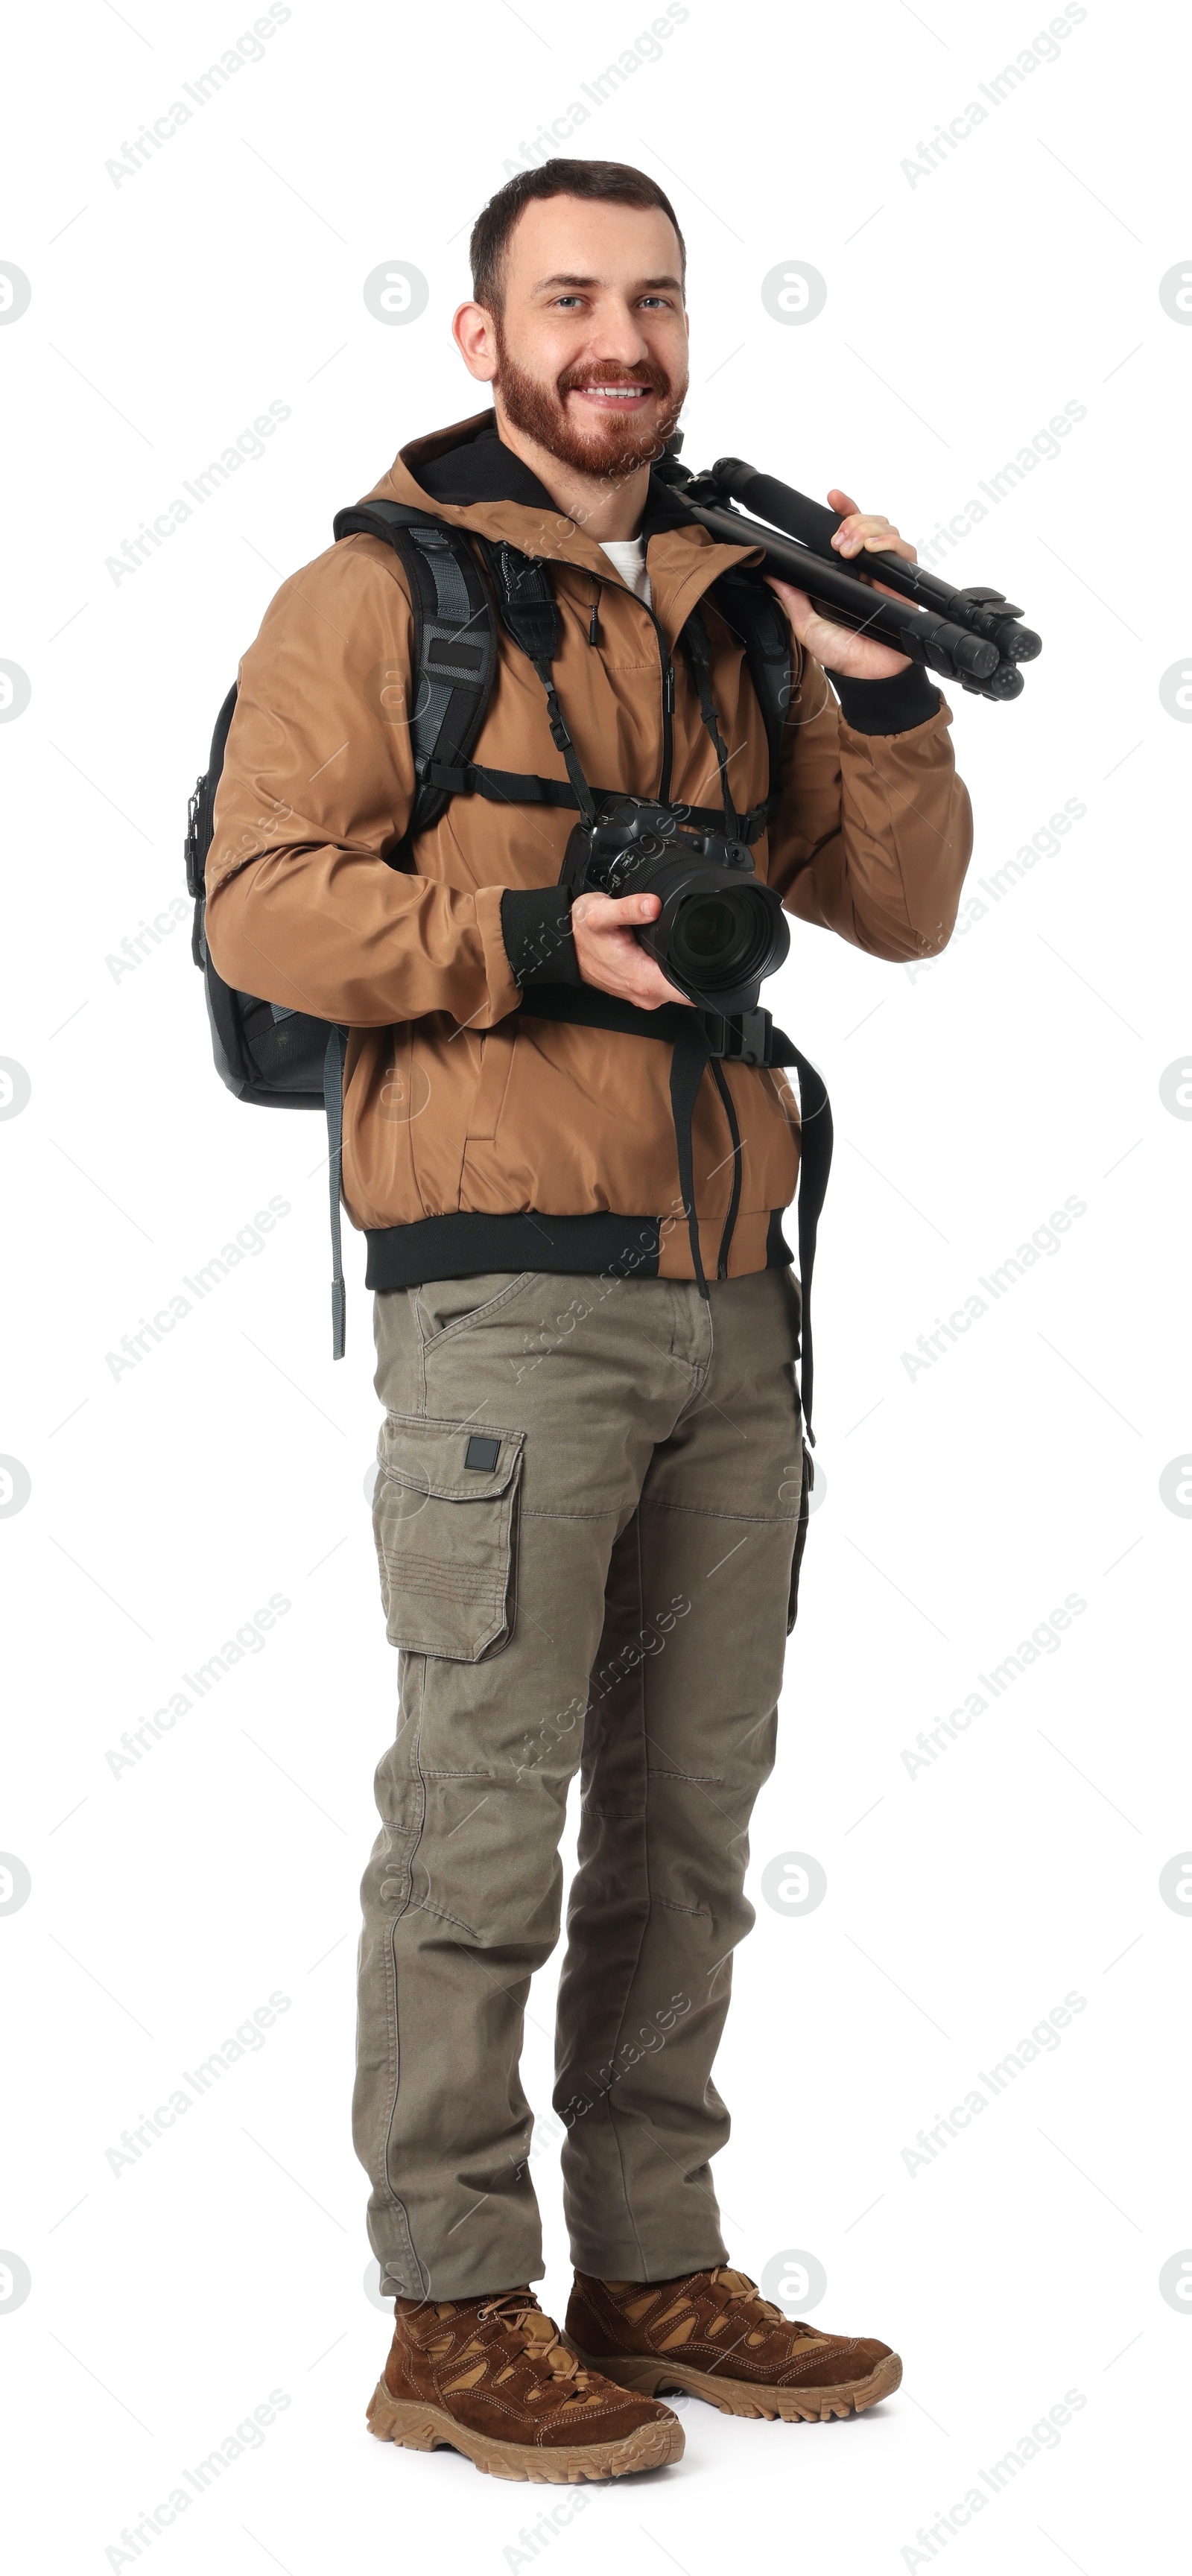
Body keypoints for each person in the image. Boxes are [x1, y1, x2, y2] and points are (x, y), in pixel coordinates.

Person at [204, 157, 972, 2484]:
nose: (615, 337)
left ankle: (652, 2255)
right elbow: (267, 909)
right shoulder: (369, 598)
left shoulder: (749, 602)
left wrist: (880, 677)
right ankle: (454, 2304)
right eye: (567, 300)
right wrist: (542, 940)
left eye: (650, 298)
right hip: (508, 1298)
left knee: (688, 1808)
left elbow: (906, 909)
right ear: (484, 341)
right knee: (480, 1810)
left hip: (739, 1304)